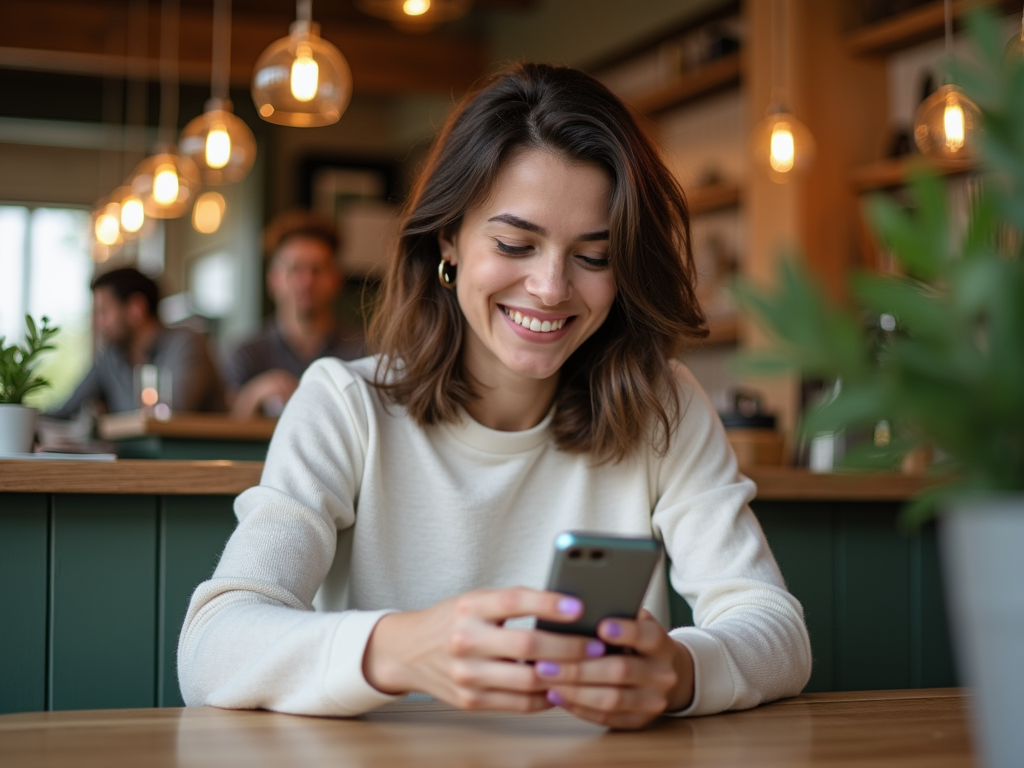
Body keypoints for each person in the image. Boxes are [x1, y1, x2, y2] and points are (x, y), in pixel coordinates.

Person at [179, 63, 810, 729]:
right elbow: (212, 646)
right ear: (449, 237)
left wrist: (680, 672)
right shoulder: (344, 405)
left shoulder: (664, 405)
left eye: (593, 257)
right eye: (515, 243)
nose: (550, 287)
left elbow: (775, 630)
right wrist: (395, 651)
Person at [223, 212, 364, 418]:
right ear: (274, 280)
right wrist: (252, 396)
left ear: (336, 280)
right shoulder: (245, 355)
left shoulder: (363, 352)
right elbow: (225, 434)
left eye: (317, 269)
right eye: (295, 269)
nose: (306, 281)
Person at [49, 267, 225, 418]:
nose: (97, 322)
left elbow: (169, 417)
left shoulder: (186, 344)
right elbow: (66, 411)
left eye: (103, 311)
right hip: (135, 457)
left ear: (136, 308)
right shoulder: (110, 356)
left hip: (192, 456)